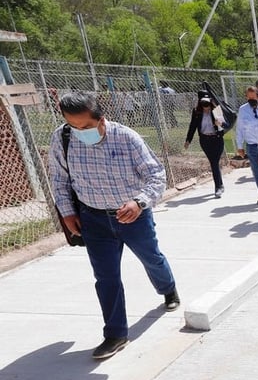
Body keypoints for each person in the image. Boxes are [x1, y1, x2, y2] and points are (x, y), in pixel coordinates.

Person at [48, 92, 180, 360]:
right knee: (106, 277)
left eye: (85, 126)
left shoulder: (127, 138)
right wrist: (67, 212)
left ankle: (168, 289)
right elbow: (59, 179)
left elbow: (156, 174)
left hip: (133, 217)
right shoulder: (62, 138)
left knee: (151, 259)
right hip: (93, 219)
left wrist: (139, 202)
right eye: (73, 126)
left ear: (101, 119)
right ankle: (116, 333)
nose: (79, 131)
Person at [184, 93, 227, 198]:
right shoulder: (197, 112)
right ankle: (219, 185)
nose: (205, 107)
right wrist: (188, 140)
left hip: (216, 139)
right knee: (213, 162)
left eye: (207, 104)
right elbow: (192, 126)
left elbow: (226, 125)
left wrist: (219, 124)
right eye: (203, 104)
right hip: (205, 140)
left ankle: (218, 187)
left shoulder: (216, 110)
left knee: (214, 162)